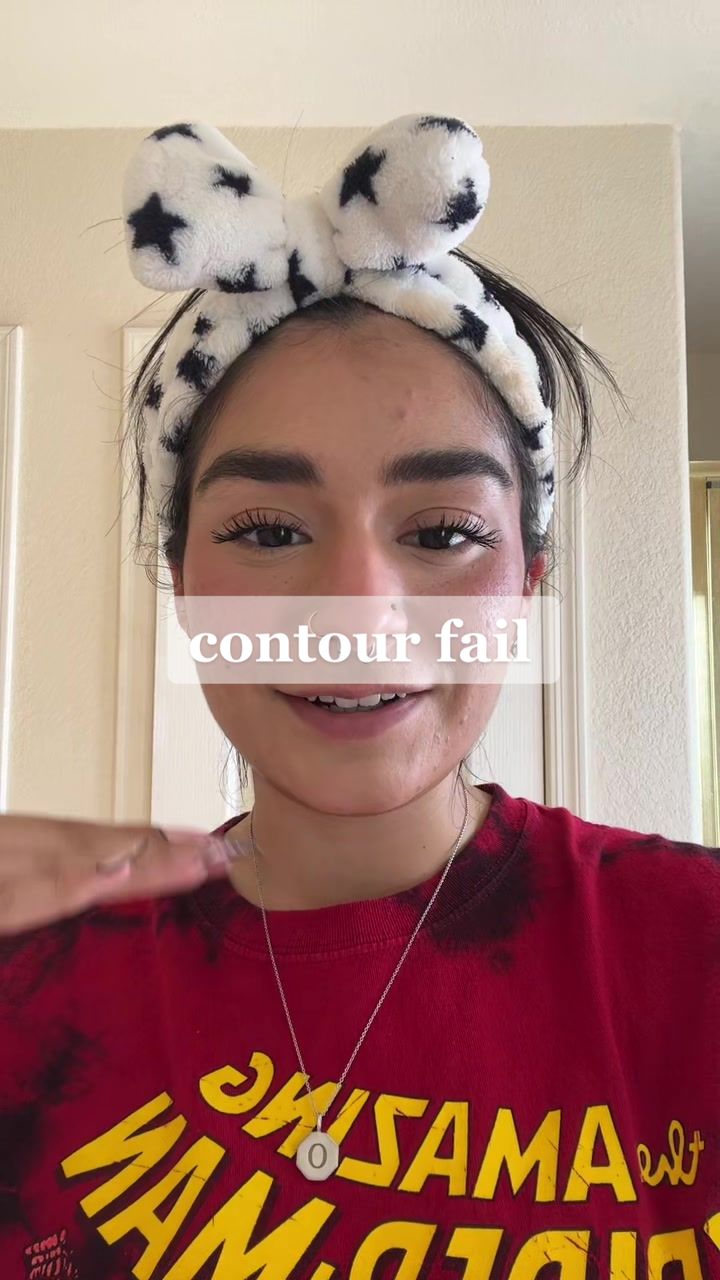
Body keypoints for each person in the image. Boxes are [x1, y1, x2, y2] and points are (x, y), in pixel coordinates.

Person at [1, 114, 718, 1280]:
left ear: (526, 585)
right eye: (267, 528)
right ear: (183, 579)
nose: (360, 612)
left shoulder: (697, 952)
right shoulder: (31, 995)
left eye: (440, 532)